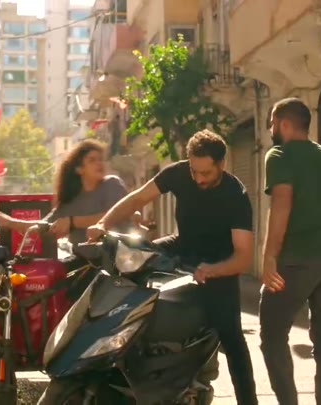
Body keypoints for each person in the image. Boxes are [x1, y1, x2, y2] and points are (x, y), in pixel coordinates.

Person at [86, 130, 259, 405]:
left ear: (221, 164)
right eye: (194, 171)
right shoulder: (178, 173)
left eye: (206, 173)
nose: (198, 179)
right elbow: (136, 199)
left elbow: (243, 256)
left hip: (218, 261)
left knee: (233, 339)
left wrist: (213, 270)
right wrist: (102, 224)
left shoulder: (235, 195)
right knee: (130, 256)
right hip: (182, 245)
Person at [259, 97, 321, 405]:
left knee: (273, 335)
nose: (271, 130)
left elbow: (281, 204)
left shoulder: (279, 155)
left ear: (284, 124)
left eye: (272, 124)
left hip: (295, 261)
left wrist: (269, 257)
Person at [0, 139, 139, 244]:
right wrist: (9, 222)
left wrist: (72, 222)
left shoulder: (112, 184)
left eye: (100, 159)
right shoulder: (70, 201)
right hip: (85, 266)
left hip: (122, 262)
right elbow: (42, 227)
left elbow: (116, 214)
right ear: (79, 169)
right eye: (92, 160)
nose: (99, 163)